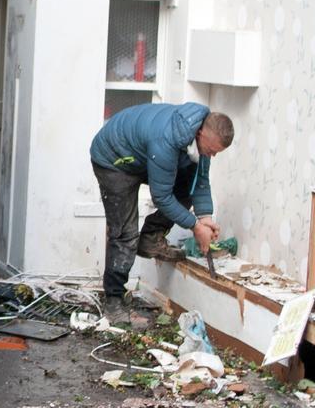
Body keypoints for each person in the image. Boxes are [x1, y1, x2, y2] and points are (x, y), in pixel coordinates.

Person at [89, 102, 234, 314]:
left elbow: (199, 180)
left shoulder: (199, 138)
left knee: (185, 186)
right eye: (211, 151)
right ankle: (114, 300)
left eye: (216, 153)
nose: (212, 156)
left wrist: (205, 217)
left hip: (144, 155)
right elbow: (162, 197)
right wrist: (195, 226)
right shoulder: (168, 138)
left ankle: (150, 239)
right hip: (115, 159)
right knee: (125, 234)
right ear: (200, 132)